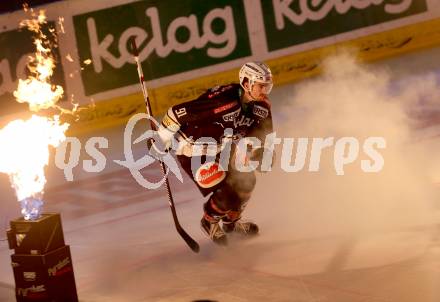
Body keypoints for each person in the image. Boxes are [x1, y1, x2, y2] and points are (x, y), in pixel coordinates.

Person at [154, 62, 274, 245]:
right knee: (226, 194)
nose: (265, 90)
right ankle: (209, 222)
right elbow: (176, 113)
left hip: (222, 148)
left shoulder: (262, 107)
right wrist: (161, 138)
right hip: (193, 151)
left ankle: (231, 223)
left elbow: (263, 136)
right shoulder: (224, 102)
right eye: (261, 85)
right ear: (247, 83)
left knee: (248, 181)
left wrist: (263, 152)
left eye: (267, 85)